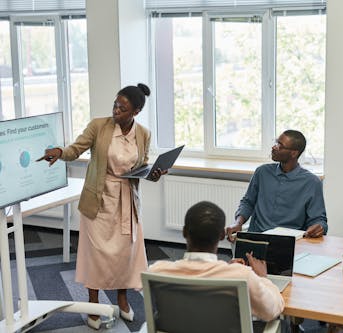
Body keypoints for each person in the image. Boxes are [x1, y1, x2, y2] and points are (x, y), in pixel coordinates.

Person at [37, 83, 166, 329]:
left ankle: (122, 298)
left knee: (124, 253)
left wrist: (154, 174)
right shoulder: (99, 126)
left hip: (127, 199)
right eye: (115, 104)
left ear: (136, 112)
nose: (116, 110)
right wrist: (59, 151)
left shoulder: (144, 134)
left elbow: (143, 165)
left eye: (123, 108)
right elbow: (76, 150)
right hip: (99, 198)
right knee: (95, 254)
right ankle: (93, 302)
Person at [148, 201, 284, 322]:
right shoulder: (242, 276)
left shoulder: (156, 271)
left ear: (184, 232)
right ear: (221, 235)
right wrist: (263, 278)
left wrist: (226, 268)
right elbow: (271, 311)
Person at [226, 130, 327, 241]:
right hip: (257, 238)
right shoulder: (262, 172)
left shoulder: (311, 182)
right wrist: (238, 223)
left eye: (280, 145)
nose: (274, 147)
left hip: (289, 243)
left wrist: (319, 227)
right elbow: (248, 202)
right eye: (276, 142)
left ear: (294, 153)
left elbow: (319, 220)